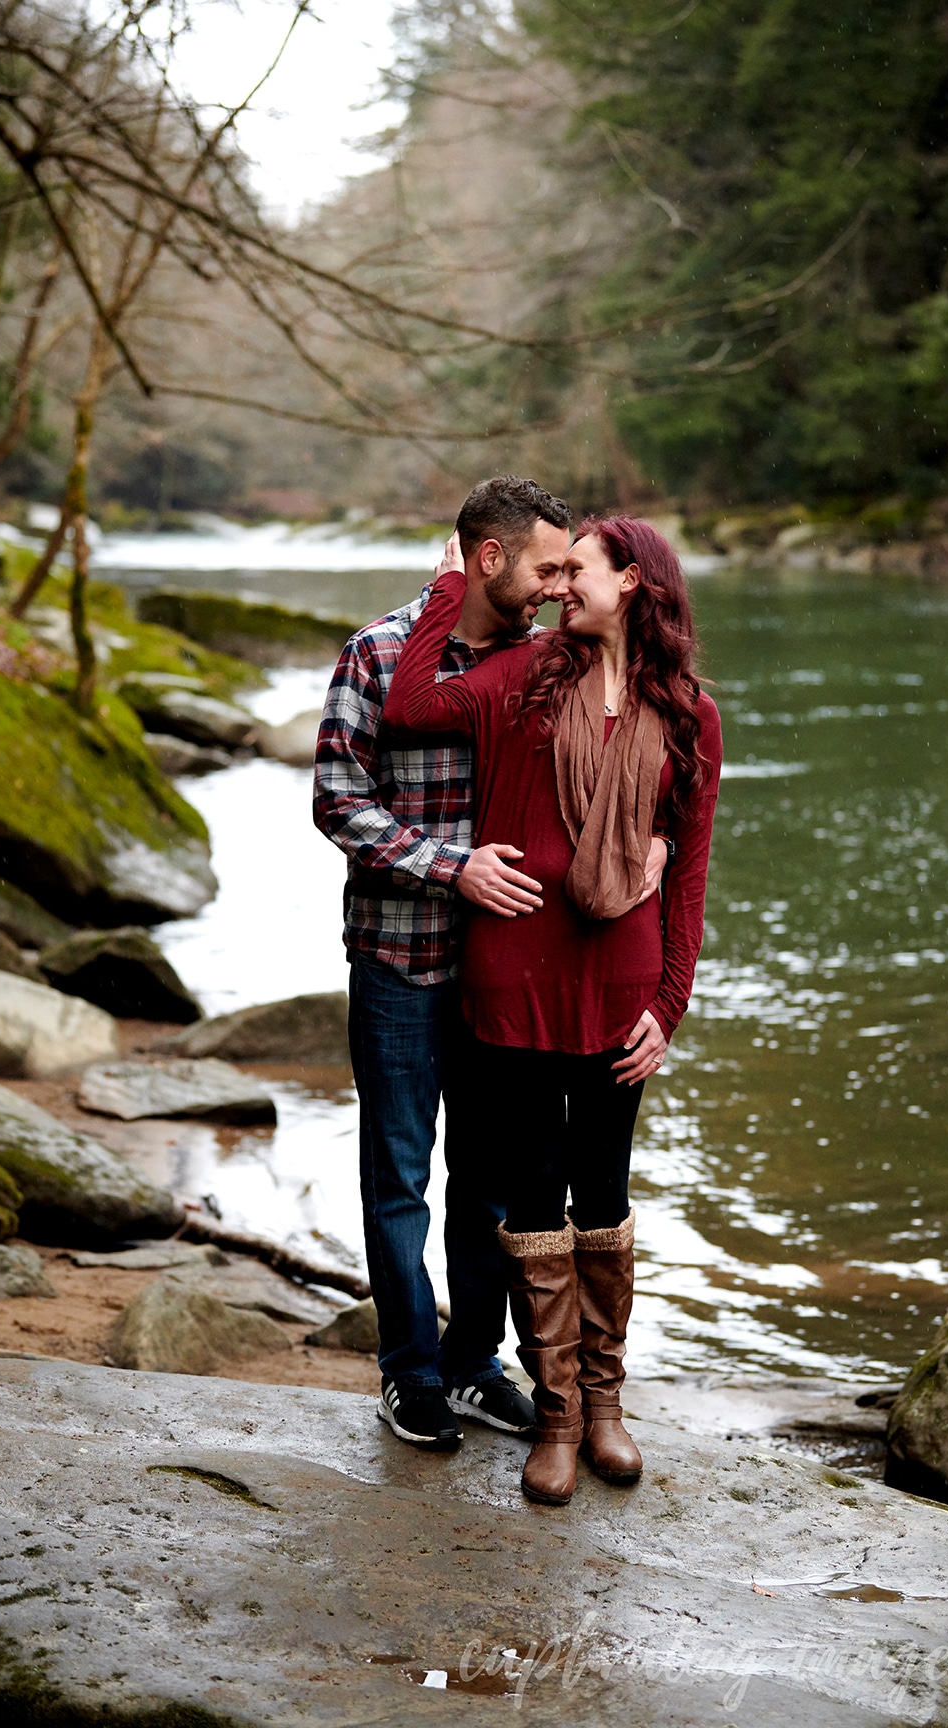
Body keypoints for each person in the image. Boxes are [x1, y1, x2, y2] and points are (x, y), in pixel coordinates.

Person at [383, 515, 721, 1505]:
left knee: (604, 1194)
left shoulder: (691, 714)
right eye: (557, 569)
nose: (559, 586)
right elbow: (409, 709)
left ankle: (609, 1405)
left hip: (621, 991)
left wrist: (672, 1002)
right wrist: (448, 591)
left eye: (579, 570)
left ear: (635, 584)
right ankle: (558, 1415)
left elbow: (690, 878)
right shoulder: (529, 679)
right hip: (513, 981)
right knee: (530, 1195)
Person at [312, 476, 573, 1451]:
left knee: (492, 1187)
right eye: (544, 565)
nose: (555, 585)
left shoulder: (546, 665)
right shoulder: (378, 654)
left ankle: (473, 1366)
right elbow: (338, 802)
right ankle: (409, 1371)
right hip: (399, 962)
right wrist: (450, 868)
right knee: (399, 1177)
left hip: (505, 973)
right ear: (490, 557)